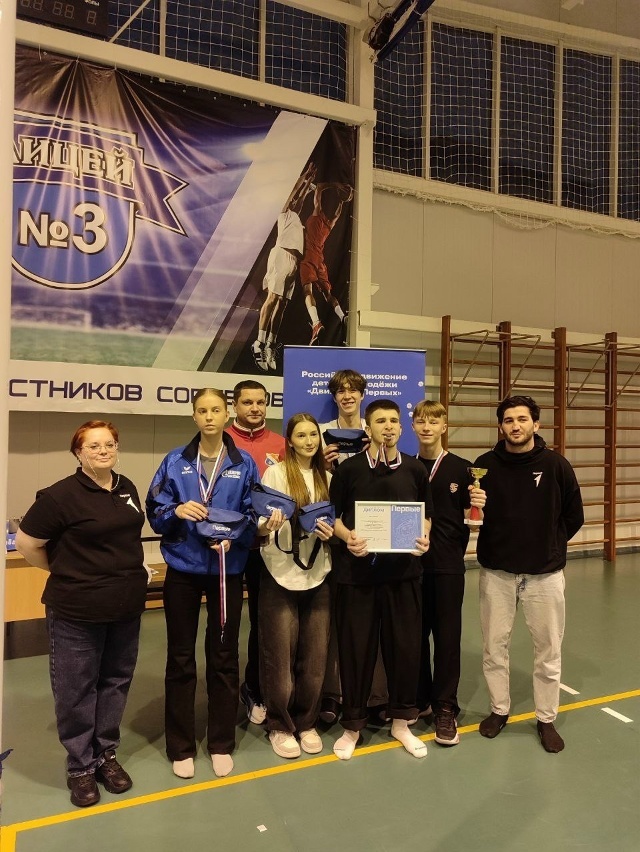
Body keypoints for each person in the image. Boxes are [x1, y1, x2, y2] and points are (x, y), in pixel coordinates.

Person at [15, 421, 147, 808]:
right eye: (93, 446)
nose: (103, 451)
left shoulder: (126, 487)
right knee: (76, 689)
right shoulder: (59, 496)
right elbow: (27, 543)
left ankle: (105, 754)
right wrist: (64, 571)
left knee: (115, 681)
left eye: (109, 444)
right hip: (76, 610)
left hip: (125, 605)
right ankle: (80, 766)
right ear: (78, 453)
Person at [146, 388, 258, 779]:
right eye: (202, 410)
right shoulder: (175, 461)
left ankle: (221, 742)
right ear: (193, 416)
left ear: (227, 415)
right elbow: (155, 512)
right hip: (183, 569)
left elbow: (252, 514)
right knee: (180, 656)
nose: (209, 417)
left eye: (215, 410)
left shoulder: (244, 463)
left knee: (224, 655)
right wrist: (176, 510)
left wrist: (234, 538)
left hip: (227, 569)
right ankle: (180, 746)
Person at [474, 395, 584, 753]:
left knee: (548, 650)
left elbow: (574, 515)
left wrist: (549, 546)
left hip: (544, 577)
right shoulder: (484, 466)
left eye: (522, 419)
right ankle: (499, 709)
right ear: (500, 426)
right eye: (508, 420)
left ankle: (546, 718)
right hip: (497, 574)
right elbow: (474, 513)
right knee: (494, 647)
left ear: (536, 424)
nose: (515, 426)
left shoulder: (556, 465)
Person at [329, 398, 433, 760]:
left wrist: (424, 537)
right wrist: (348, 537)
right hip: (356, 577)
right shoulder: (349, 470)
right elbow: (333, 517)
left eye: (393, 420)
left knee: (404, 651)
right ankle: (352, 726)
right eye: (380, 421)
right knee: (355, 652)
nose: (387, 426)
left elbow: (426, 514)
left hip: (403, 576)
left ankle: (401, 723)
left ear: (401, 428)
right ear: (368, 428)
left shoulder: (415, 470)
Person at [257, 413, 334, 758]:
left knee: (315, 656)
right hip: (279, 574)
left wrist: (332, 533)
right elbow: (260, 522)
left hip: (318, 574)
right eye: (301, 435)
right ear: (289, 441)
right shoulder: (275, 473)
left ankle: (306, 722)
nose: (308, 441)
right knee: (279, 655)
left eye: (313, 435)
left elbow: (338, 523)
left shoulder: (328, 477)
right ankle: (279, 724)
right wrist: (269, 525)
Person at [411, 400, 486, 746]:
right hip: (411, 567)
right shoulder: (405, 467)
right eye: (421, 421)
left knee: (446, 639)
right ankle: (420, 699)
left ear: (444, 427)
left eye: (433, 421)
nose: (427, 427)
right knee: (414, 637)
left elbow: (474, 518)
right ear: (413, 426)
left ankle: (445, 706)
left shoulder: (463, 470)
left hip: (447, 567)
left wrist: (480, 505)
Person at [226, 379, 286, 726]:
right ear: (234, 405)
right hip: (231, 546)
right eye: (247, 402)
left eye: (260, 402)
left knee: (265, 622)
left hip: (270, 546)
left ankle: (255, 687)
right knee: (228, 621)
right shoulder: (221, 441)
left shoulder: (281, 444)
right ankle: (224, 690)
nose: (255, 408)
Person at [251, 163, 316, 371]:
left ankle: (270, 344)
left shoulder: (296, 217)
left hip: (294, 261)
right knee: (273, 298)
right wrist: (304, 176)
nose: (296, 200)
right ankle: (259, 342)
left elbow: (301, 197)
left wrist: (308, 182)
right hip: (281, 254)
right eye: (294, 199)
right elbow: (296, 191)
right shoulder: (283, 212)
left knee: (283, 304)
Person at [300, 181, 353, 345]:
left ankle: (316, 323)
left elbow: (320, 188)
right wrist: (342, 201)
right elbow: (337, 215)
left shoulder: (316, 215)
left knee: (307, 291)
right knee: (328, 295)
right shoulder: (328, 226)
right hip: (321, 262)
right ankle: (342, 316)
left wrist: (335, 185)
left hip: (309, 258)